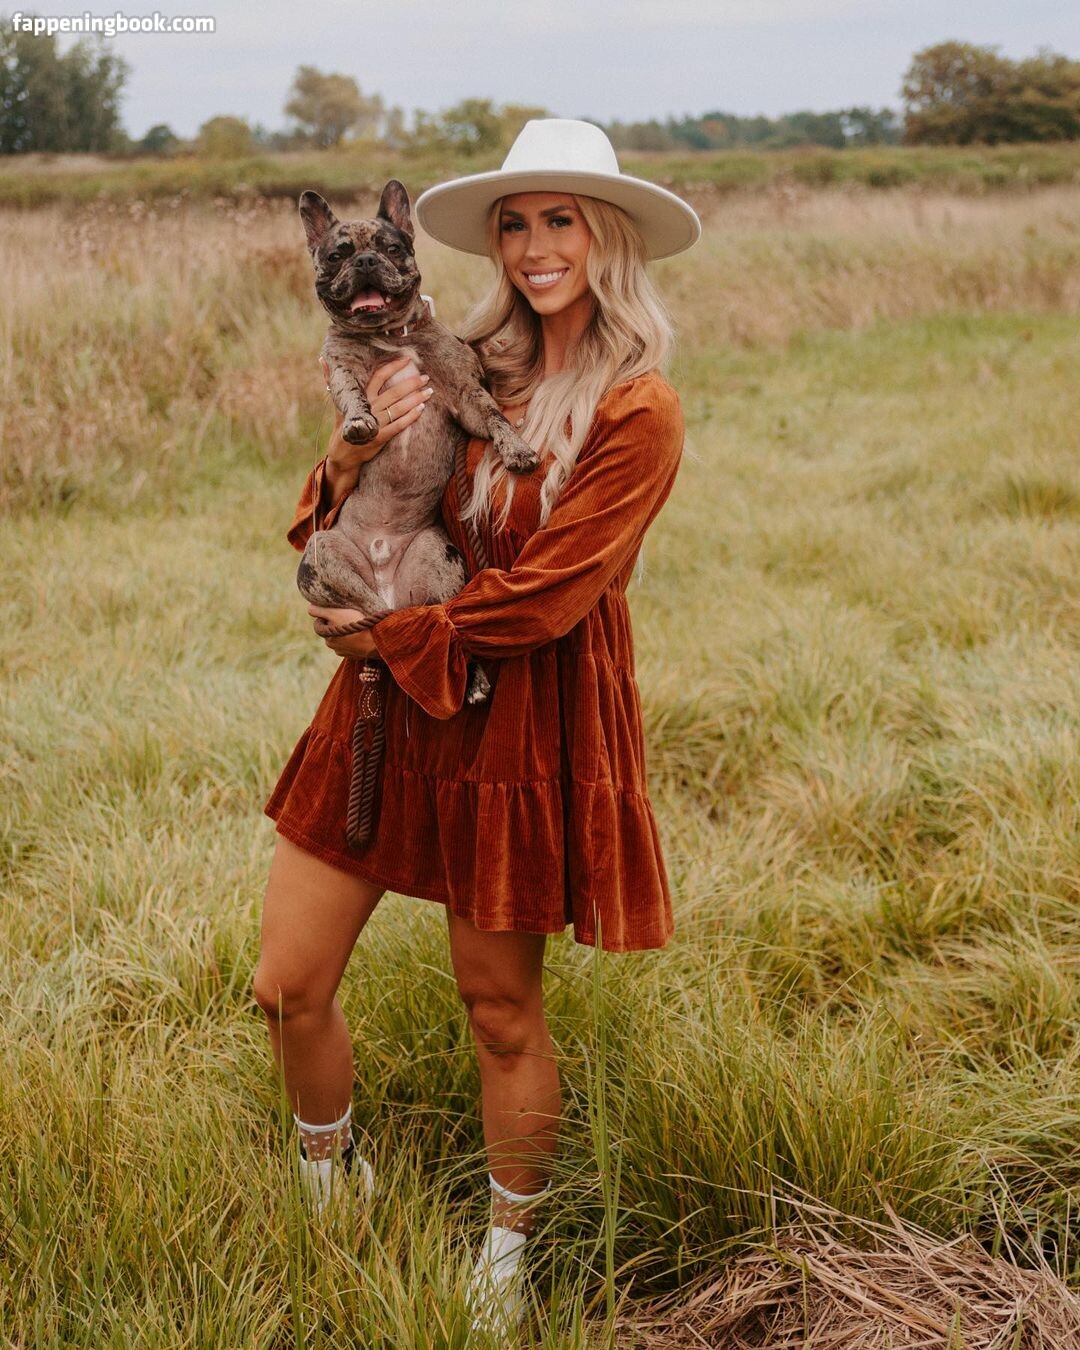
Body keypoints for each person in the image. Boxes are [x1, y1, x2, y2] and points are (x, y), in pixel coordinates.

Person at [254, 118, 700, 1333]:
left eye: (562, 220)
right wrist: (341, 462)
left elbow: (554, 593)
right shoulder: (464, 359)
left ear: (608, 238)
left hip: (520, 709)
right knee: (286, 984)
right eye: (515, 223)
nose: (536, 245)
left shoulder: (638, 408)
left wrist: (384, 639)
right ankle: (328, 1183)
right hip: (390, 696)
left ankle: (504, 1260)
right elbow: (342, 497)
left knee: (499, 1010)